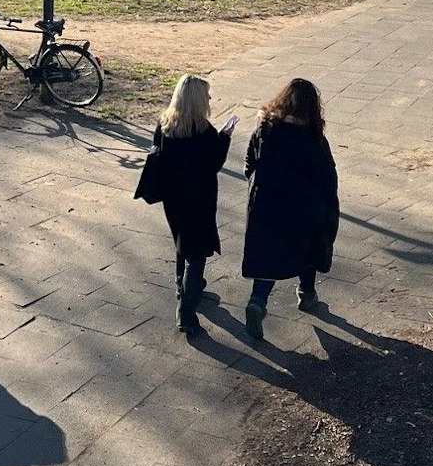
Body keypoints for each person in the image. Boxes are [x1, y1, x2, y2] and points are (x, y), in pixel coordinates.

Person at [239, 78, 339, 340]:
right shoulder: (314, 139)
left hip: (266, 207)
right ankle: (307, 295)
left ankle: (257, 302)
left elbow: (250, 163)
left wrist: (256, 186)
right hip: (301, 211)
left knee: (268, 261)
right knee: (307, 252)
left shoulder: (265, 130)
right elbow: (328, 179)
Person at [134, 75, 232, 340]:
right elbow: (213, 164)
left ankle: (183, 286)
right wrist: (225, 137)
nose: (210, 100)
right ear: (198, 101)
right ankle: (186, 312)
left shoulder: (165, 125)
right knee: (197, 254)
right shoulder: (205, 132)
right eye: (207, 97)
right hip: (198, 200)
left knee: (181, 242)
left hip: (174, 200)